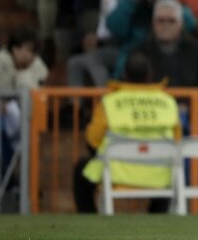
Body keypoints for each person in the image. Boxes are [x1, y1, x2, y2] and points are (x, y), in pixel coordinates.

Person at [74, 52, 181, 213]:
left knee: (81, 169)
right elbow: (176, 141)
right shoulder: (168, 102)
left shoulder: (110, 102)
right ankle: (157, 218)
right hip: (159, 176)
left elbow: (93, 139)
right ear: (150, 74)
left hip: (116, 174)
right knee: (168, 166)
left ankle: (90, 219)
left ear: (124, 74)